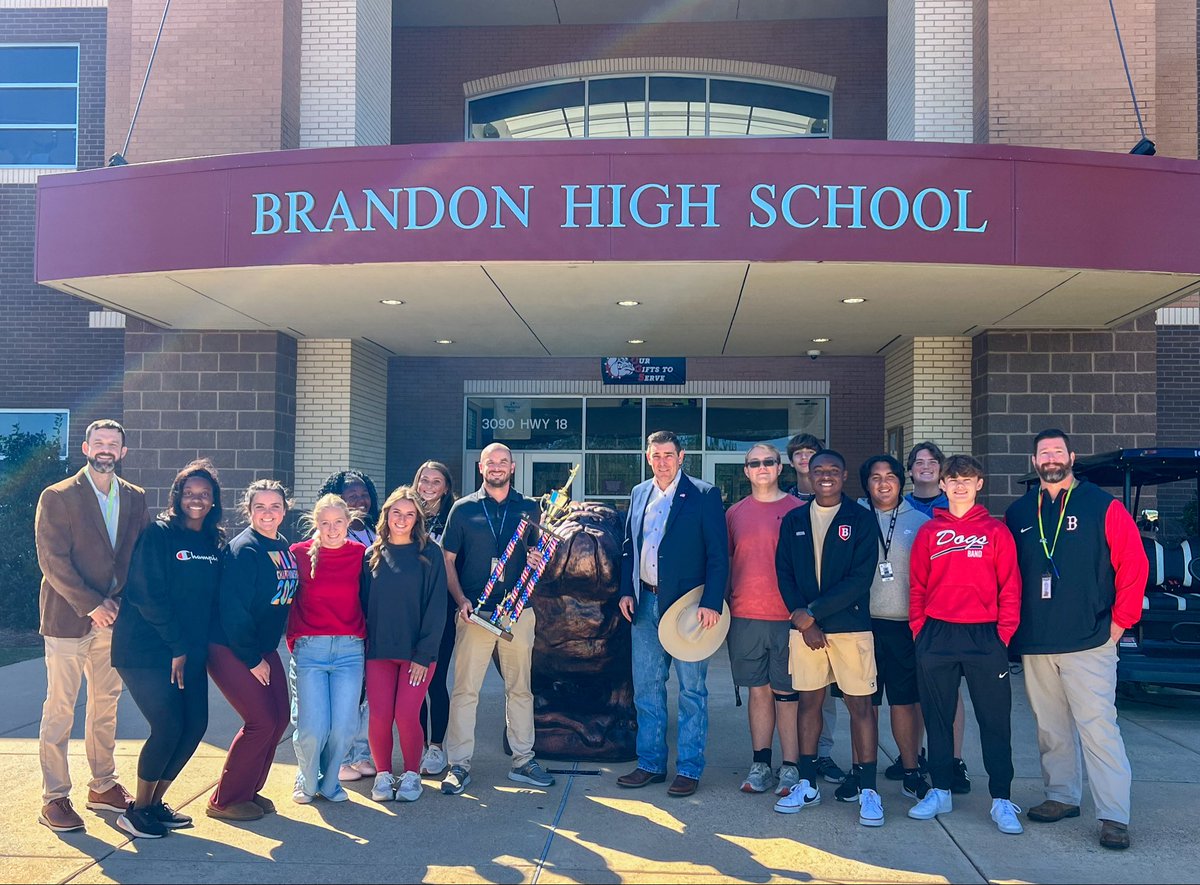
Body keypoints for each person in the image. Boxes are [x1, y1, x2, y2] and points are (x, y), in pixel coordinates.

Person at [1005, 429, 1148, 850]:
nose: (1050, 458)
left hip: (1090, 639)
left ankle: (1113, 816)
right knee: (1051, 727)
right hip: (1037, 641)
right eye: (1043, 453)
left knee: (1098, 728)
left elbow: (1133, 565)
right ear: (1034, 462)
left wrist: (1121, 622)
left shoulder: (1103, 505)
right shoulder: (1018, 513)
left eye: (1057, 451)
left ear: (1072, 456)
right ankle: (1062, 796)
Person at [34, 419, 148, 833]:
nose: (105, 449)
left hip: (114, 619)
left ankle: (102, 785)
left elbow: (138, 558)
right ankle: (54, 797)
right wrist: (91, 605)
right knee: (61, 708)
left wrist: (117, 604)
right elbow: (52, 560)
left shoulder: (135, 498)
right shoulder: (59, 496)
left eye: (113, 444)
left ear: (123, 452)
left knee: (106, 705)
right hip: (68, 618)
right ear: (85, 448)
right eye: (98, 442)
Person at [907, 455, 1023, 835]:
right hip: (937, 635)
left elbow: (1010, 587)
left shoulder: (996, 531)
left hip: (984, 636)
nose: (959, 485)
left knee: (994, 720)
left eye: (967, 479)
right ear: (941, 485)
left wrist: (1002, 635)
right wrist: (920, 632)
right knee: (938, 718)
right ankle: (940, 790)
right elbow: (918, 587)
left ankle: (1001, 799)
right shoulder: (929, 532)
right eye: (952, 479)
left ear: (979, 484)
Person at [110, 460, 223, 839]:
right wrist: (176, 644)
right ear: (177, 496)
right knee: (168, 726)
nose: (197, 499)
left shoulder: (212, 541)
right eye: (190, 493)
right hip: (145, 649)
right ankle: (136, 810)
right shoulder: (159, 534)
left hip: (187, 650)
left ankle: (156, 803)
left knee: (194, 727)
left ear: (213, 501)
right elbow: (145, 592)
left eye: (204, 494)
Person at [772, 450, 883, 826]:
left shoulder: (862, 520)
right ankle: (807, 783)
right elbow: (784, 572)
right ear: (808, 475)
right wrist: (804, 622)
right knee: (809, 705)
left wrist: (813, 614)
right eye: (818, 470)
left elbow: (859, 578)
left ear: (845, 474)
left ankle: (869, 789)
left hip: (850, 627)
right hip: (806, 631)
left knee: (861, 708)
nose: (825, 477)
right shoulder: (794, 520)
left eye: (833, 470)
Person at [617, 430, 730, 798]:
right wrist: (625, 590)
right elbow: (628, 548)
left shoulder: (704, 494)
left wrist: (712, 601)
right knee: (647, 688)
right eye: (655, 455)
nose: (662, 461)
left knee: (691, 691)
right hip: (644, 604)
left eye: (668, 454)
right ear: (647, 457)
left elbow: (718, 554)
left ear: (682, 457)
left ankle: (689, 769)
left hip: (689, 608)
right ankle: (650, 763)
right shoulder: (639, 494)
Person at [440, 443, 555, 794]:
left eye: (503, 462)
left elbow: (539, 553)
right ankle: (458, 765)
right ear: (481, 467)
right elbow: (447, 561)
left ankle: (523, 759)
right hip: (475, 614)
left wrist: (538, 559)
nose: (497, 467)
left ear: (512, 467)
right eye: (491, 462)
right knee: (465, 691)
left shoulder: (530, 508)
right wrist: (460, 600)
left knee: (520, 689)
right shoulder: (462, 510)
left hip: (518, 614)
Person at [206, 480, 299, 822]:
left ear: (284, 510)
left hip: (261, 645)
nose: (268, 513)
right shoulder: (243, 549)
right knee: (260, 721)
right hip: (231, 646)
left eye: (275, 506)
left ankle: (248, 791)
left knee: (279, 720)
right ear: (249, 511)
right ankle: (224, 799)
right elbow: (233, 611)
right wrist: (251, 659)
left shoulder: (281, 545)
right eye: (260, 507)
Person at [361, 486, 449, 802]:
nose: (402, 519)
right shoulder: (371, 555)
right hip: (380, 652)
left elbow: (437, 608)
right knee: (380, 715)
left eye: (409, 514)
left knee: (406, 714)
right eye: (396, 513)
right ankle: (384, 775)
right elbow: (362, 605)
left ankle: (412, 774)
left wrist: (424, 654)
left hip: (418, 654)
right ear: (386, 515)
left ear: (417, 519)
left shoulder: (430, 554)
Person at [725, 444, 803, 796]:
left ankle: (790, 766)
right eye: (754, 463)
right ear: (746, 471)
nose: (761, 468)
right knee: (758, 691)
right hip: (745, 615)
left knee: (786, 693)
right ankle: (760, 764)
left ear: (779, 467)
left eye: (768, 462)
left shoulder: (800, 510)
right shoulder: (734, 514)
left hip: (789, 618)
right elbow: (723, 564)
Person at [855, 455, 931, 802]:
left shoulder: (921, 521)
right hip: (861, 625)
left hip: (904, 626)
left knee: (904, 701)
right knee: (864, 704)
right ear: (865, 483)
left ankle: (911, 770)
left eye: (890, 477)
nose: (883, 483)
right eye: (875, 477)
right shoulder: (853, 516)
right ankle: (861, 773)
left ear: (902, 482)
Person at [287, 494, 367, 804]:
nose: (332, 529)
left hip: (350, 650)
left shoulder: (361, 555)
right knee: (312, 728)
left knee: (344, 728)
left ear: (349, 523)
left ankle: (330, 782)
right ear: (316, 524)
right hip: (311, 650)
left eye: (338, 523)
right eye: (325, 523)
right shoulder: (298, 554)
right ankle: (306, 780)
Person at [902, 440, 969, 794]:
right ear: (910, 469)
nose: (925, 466)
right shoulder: (900, 506)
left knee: (949, 691)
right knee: (913, 692)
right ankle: (912, 756)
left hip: (948, 614)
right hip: (907, 612)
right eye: (918, 461)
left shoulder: (956, 505)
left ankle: (954, 760)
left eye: (932, 461)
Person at [784, 433, 847, 786]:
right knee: (791, 691)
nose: (806, 459)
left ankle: (822, 754)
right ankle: (793, 758)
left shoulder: (843, 505)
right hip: (789, 614)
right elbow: (783, 567)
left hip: (829, 618)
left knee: (824, 694)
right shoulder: (786, 505)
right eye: (800, 455)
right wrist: (798, 613)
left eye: (813, 454)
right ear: (793, 462)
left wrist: (816, 615)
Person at [317, 469, 380, 784]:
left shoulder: (375, 533)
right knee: (344, 695)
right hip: (341, 626)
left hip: (371, 625)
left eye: (363, 493)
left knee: (365, 693)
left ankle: (361, 753)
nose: (360, 500)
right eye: (351, 495)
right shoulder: (331, 538)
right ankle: (336, 758)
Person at [412, 460, 458, 777]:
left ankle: (436, 747)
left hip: (441, 609)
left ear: (445, 487)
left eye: (436, 481)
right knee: (412, 684)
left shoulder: (454, 518)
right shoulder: (405, 513)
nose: (429, 486)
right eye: (424, 480)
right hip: (407, 612)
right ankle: (416, 746)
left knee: (435, 681)